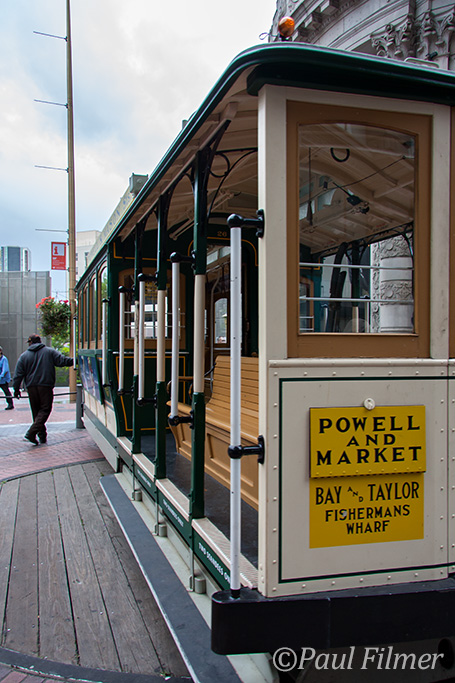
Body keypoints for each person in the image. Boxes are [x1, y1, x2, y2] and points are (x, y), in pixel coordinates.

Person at [13, 334, 73, 445]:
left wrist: (16, 389)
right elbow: (63, 361)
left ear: (30, 343)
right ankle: (31, 433)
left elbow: (18, 375)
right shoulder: (49, 352)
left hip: (31, 387)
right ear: (40, 341)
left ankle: (42, 436)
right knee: (45, 410)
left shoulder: (24, 356)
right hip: (45, 386)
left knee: (36, 412)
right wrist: (78, 360)